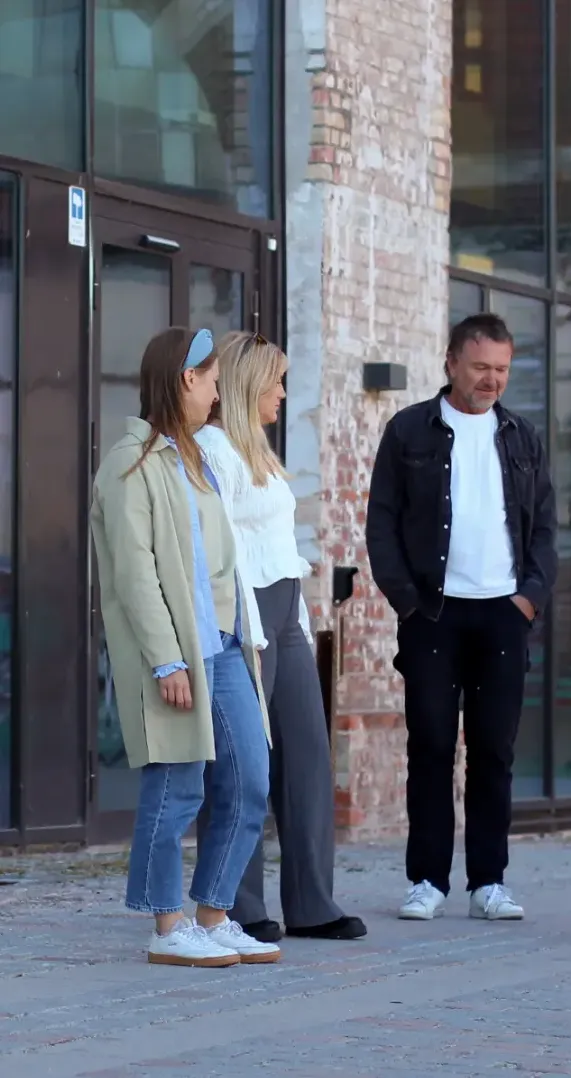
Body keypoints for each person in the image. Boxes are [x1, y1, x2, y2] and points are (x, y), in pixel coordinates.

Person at [90, 326, 279, 967]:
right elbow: (134, 570)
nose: (220, 394)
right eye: (213, 381)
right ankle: (167, 927)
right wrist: (167, 657)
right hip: (178, 654)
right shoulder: (130, 462)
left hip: (223, 647)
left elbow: (221, 562)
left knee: (250, 779)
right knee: (177, 786)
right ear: (185, 380)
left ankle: (213, 915)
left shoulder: (196, 460)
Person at [366, 312, 557, 922]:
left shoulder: (523, 438)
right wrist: (408, 603)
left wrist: (528, 597)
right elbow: (382, 525)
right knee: (430, 746)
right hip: (434, 614)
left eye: (501, 369)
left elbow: (547, 530)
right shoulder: (408, 432)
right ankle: (427, 879)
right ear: (451, 362)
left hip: (504, 613)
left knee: (494, 751)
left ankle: (488, 882)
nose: (491, 380)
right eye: (480, 367)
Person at [194, 330, 366, 944]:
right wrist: (248, 628)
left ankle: (313, 903)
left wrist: (295, 620)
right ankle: (235, 904)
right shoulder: (214, 449)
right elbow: (220, 548)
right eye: (276, 381)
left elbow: (275, 544)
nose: (284, 392)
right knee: (242, 764)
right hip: (245, 616)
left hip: (286, 612)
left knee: (307, 759)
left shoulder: (259, 451)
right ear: (247, 385)